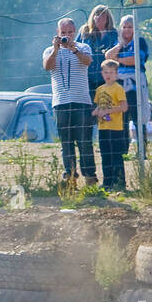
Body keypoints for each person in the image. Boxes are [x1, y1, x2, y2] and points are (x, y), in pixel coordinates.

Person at [43, 17, 96, 186]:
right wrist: (56, 49)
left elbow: (88, 62)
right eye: (63, 33)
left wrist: (74, 50)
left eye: (70, 32)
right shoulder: (49, 50)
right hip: (60, 101)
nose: (67, 36)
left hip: (81, 100)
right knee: (66, 141)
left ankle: (90, 176)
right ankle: (70, 175)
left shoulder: (83, 47)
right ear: (57, 34)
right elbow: (47, 66)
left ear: (75, 32)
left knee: (84, 140)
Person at [106, 16, 149, 147]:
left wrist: (118, 59)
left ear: (135, 28)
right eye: (124, 27)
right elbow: (108, 57)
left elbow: (136, 60)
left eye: (130, 27)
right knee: (122, 118)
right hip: (120, 86)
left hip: (136, 86)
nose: (127, 30)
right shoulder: (117, 43)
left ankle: (142, 149)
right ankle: (123, 148)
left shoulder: (139, 41)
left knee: (138, 117)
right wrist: (120, 46)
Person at [92, 60, 128, 190]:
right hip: (103, 128)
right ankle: (107, 182)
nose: (108, 75)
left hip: (115, 128)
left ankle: (120, 182)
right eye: (106, 72)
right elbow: (99, 105)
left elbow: (124, 107)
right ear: (102, 73)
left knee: (116, 155)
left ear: (116, 74)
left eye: (111, 72)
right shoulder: (99, 89)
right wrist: (96, 111)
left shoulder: (118, 88)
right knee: (105, 155)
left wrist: (108, 111)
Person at [78, 5, 118, 102]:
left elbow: (118, 49)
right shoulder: (85, 31)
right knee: (90, 107)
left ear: (108, 18)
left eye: (103, 15)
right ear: (93, 16)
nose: (99, 17)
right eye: (97, 14)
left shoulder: (113, 32)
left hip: (106, 76)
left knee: (106, 105)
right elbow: (76, 47)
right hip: (87, 77)